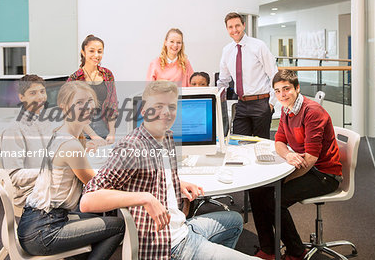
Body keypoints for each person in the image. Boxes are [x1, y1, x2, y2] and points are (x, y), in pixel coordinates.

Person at [80, 81, 257, 260]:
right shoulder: (132, 147)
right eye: (158, 106)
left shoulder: (167, 137)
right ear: (143, 110)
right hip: (169, 245)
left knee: (234, 220)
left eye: (171, 107)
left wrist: (177, 183)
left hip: (182, 227)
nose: (166, 112)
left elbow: (151, 174)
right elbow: (88, 201)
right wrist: (145, 198)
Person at [16, 81, 125, 259]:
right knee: (118, 225)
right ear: (65, 107)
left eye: (90, 101)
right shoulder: (71, 144)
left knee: (92, 216)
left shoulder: (61, 134)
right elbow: (96, 184)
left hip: (35, 222)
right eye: (80, 103)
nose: (87, 107)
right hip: (43, 231)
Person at [249, 70, 342, 260]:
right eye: (277, 91)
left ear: (297, 88)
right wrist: (288, 154)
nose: (282, 95)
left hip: (324, 174)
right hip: (303, 167)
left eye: (286, 89)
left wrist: (283, 181)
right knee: (257, 191)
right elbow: (279, 141)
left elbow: (310, 159)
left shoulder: (312, 112)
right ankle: (268, 249)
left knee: (274, 200)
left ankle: (297, 252)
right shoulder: (286, 109)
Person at [217, 12, 278, 139]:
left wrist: (271, 104)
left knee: (262, 145)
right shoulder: (227, 51)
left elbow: (273, 74)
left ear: (243, 25)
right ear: (227, 29)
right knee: (239, 143)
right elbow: (223, 80)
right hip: (241, 104)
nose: (234, 30)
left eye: (237, 25)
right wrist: (217, 101)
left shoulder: (258, 46)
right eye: (230, 27)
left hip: (261, 103)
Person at [0, 74, 53, 207]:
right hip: (31, 194)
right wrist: (51, 172)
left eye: (42, 91)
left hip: (49, 185)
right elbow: (15, 175)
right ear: (21, 97)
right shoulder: (14, 130)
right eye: (33, 93)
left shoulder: (46, 121)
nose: (40, 97)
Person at [68, 34, 119, 144]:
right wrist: (93, 136)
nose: (96, 55)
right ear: (83, 52)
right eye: (91, 51)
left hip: (104, 130)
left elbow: (112, 104)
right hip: (81, 132)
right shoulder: (75, 78)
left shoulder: (107, 75)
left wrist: (112, 132)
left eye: (99, 51)